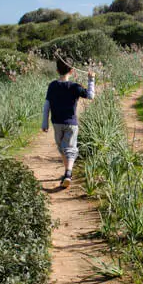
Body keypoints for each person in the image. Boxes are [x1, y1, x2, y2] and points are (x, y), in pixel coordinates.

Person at [41, 58, 95, 188]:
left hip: (56, 123)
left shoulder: (52, 85)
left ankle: (66, 173)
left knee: (62, 148)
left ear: (57, 70)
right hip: (71, 124)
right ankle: (68, 173)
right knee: (70, 149)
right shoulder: (75, 87)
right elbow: (91, 96)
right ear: (72, 70)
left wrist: (44, 123)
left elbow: (46, 105)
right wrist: (91, 80)